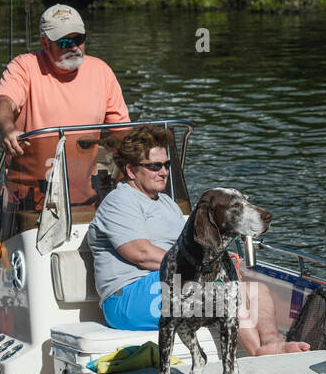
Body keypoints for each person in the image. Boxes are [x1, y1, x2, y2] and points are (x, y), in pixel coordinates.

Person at [88, 126, 310, 356]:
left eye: (166, 165)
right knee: (221, 288)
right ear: (131, 170)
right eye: (154, 166)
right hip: (128, 298)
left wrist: (222, 261)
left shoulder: (167, 204)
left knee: (258, 291)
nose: (163, 172)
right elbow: (140, 254)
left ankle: (272, 342)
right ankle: (258, 352)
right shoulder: (120, 201)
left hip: (170, 285)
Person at [0, 3, 129, 209]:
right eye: (64, 42)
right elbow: (3, 102)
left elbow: (122, 134)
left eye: (78, 40)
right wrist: (8, 129)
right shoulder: (24, 66)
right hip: (27, 200)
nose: (73, 47)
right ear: (45, 44)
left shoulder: (102, 71)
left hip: (85, 197)